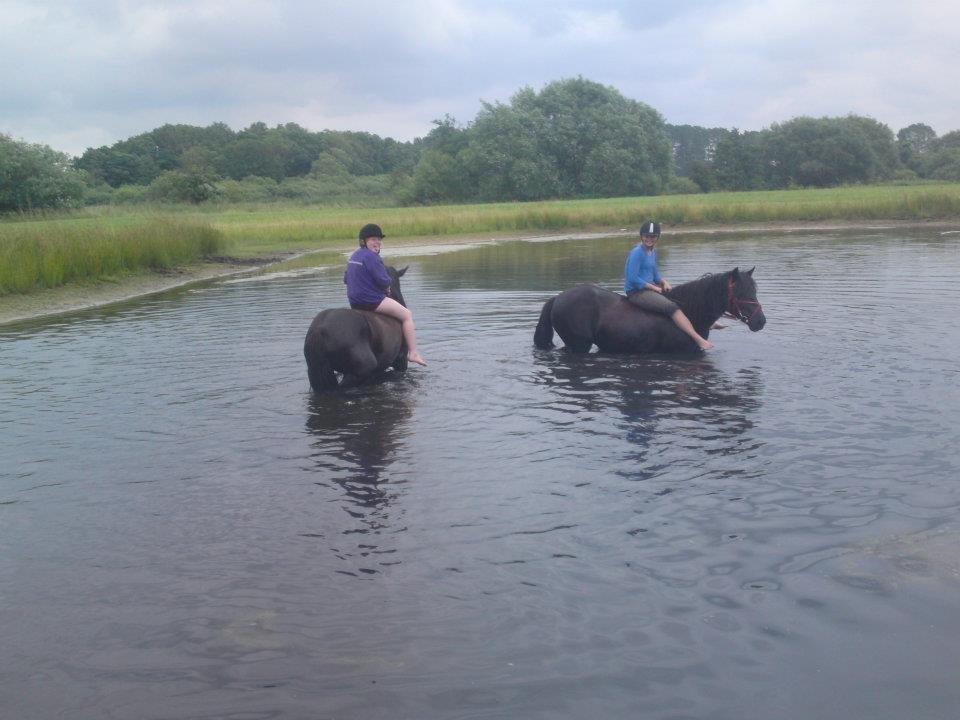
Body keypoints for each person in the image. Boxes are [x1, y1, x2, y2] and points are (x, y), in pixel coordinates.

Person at [623, 220, 714, 350]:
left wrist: (663, 282)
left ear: (657, 238)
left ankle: (708, 323)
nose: (649, 239)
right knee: (672, 308)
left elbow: (655, 276)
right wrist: (654, 287)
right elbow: (632, 278)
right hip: (637, 292)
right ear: (641, 236)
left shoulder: (652, 252)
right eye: (646, 236)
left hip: (650, 289)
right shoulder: (637, 252)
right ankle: (698, 339)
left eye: (653, 236)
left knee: (681, 299)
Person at [344, 223, 427, 366]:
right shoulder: (372, 257)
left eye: (378, 239)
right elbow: (383, 280)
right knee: (407, 315)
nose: (376, 242)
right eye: (372, 240)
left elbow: (346, 279)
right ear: (364, 241)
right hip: (371, 302)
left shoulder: (354, 255)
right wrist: (387, 287)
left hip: (354, 302)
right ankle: (413, 353)